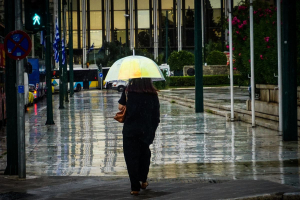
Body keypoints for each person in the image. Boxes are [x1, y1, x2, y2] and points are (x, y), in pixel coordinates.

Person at [118, 78, 160, 195]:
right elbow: (156, 115)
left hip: (130, 131)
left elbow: (120, 107)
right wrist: (152, 129)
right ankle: (143, 180)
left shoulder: (128, 92)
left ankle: (134, 187)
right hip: (146, 130)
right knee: (144, 156)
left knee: (131, 158)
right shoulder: (152, 94)